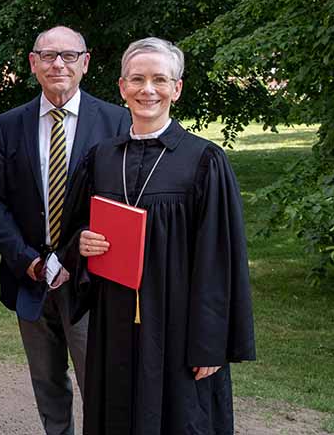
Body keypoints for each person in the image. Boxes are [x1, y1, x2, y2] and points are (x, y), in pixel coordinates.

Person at [58, 37, 256, 435]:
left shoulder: (204, 161)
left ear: (176, 88)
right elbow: (73, 232)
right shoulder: (101, 158)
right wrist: (81, 242)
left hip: (178, 327)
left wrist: (210, 343)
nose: (147, 89)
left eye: (159, 79)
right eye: (137, 79)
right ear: (122, 87)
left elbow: (219, 259)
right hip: (114, 322)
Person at [0, 26, 130, 435]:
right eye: (48, 56)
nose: (58, 64)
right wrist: (27, 260)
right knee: (47, 385)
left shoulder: (116, 121)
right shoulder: (10, 124)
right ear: (33, 64)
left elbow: (121, 200)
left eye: (68, 55)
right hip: (30, 279)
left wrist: (70, 257)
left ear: (85, 62)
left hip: (88, 280)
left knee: (98, 383)